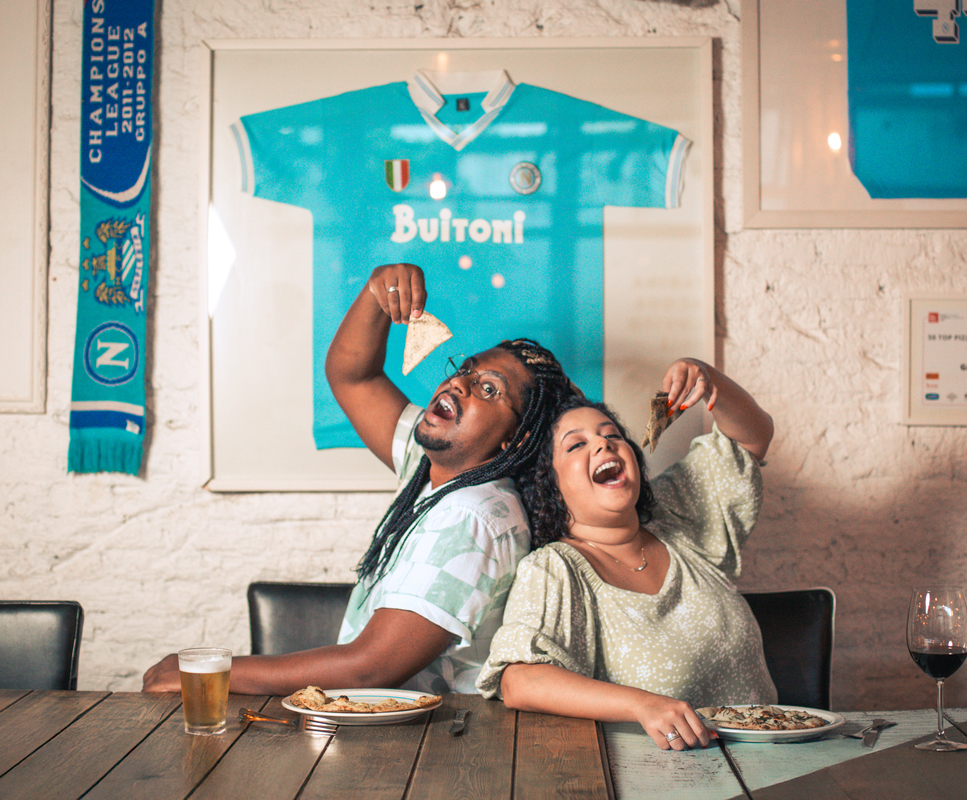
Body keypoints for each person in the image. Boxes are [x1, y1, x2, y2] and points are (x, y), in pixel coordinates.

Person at [143, 263, 573, 696]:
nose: (461, 383)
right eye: (466, 370)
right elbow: (353, 375)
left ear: (514, 442)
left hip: (433, 751)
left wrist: (211, 671)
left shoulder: (474, 515)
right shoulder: (436, 469)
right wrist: (376, 292)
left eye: (489, 390)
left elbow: (371, 668)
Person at [476, 357, 777, 750]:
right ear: (551, 484)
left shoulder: (678, 518)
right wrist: (642, 705)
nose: (603, 443)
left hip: (775, 765)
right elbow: (520, 681)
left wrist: (710, 378)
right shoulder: (555, 569)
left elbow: (752, 437)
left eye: (612, 435)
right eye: (577, 445)